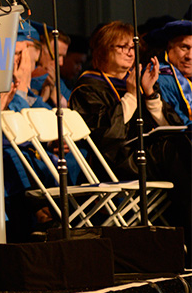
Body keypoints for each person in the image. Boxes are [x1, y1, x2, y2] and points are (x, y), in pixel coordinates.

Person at [69, 21, 190, 249]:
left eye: (133, 48)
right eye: (122, 47)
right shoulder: (88, 87)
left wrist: (149, 94)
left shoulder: (135, 82)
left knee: (183, 144)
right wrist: (133, 96)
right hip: (114, 161)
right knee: (177, 152)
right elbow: (106, 135)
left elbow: (174, 126)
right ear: (103, 49)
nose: (130, 52)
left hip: (145, 156)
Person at [151, 20, 192, 126]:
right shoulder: (159, 77)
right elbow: (180, 124)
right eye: (184, 47)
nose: (189, 56)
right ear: (169, 47)